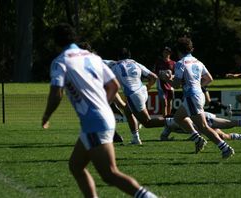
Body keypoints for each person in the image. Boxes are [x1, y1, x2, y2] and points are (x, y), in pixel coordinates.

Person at [41, 23, 157, 198]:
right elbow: (113, 85)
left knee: (110, 173)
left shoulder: (60, 61)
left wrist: (47, 115)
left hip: (94, 121)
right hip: (100, 118)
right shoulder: (93, 57)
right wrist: (103, 106)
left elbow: (56, 92)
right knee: (76, 165)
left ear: (56, 42)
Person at [171, 36, 235, 159]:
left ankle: (225, 148)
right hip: (198, 94)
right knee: (178, 118)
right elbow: (209, 79)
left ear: (178, 51)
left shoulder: (180, 63)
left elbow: (176, 84)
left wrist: (166, 79)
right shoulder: (198, 62)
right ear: (191, 49)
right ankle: (197, 139)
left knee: (203, 126)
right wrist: (197, 86)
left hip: (191, 97)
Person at [111, 47, 180, 145]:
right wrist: (148, 86)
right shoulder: (135, 63)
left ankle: (176, 121)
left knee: (147, 122)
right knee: (127, 111)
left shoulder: (114, 66)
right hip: (142, 90)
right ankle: (135, 139)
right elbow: (154, 77)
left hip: (133, 94)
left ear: (118, 57)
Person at [163, 112, 241, 141]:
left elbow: (192, 124)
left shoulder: (177, 120)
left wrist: (194, 136)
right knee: (223, 136)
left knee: (228, 124)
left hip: (206, 119)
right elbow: (163, 136)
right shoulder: (169, 124)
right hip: (203, 128)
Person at [154, 47, 176, 117]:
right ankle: (165, 120)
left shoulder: (173, 63)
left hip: (170, 85)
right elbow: (155, 73)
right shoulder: (159, 62)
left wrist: (171, 76)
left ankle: (169, 118)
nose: (165, 54)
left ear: (170, 53)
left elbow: (176, 74)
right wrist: (161, 75)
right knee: (164, 103)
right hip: (161, 85)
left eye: (167, 52)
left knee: (169, 103)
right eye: (164, 52)